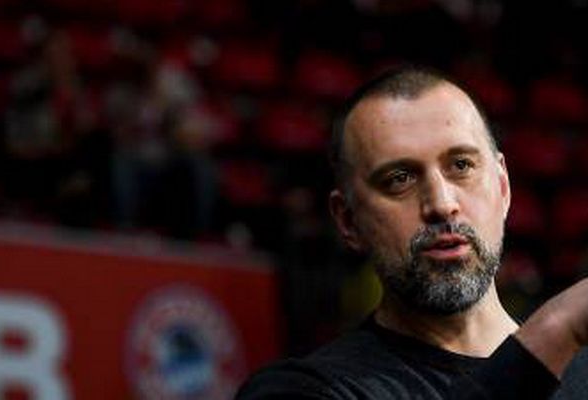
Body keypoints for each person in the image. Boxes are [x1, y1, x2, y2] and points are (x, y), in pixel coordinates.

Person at [235, 66, 588, 399]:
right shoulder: (301, 389)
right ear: (348, 221)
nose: (442, 204)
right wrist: (555, 331)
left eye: (461, 165)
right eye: (399, 179)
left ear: (503, 187)